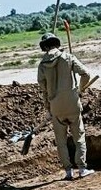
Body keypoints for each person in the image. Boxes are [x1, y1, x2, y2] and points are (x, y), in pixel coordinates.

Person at [37, 33, 95, 180]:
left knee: (61, 141)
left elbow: (43, 90)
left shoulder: (42, 65)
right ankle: (82, 169)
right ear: (56, 44)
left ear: (45, 47)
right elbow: (86, 74)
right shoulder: (68, 57)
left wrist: (48, 108)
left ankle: (68, 171)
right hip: (72, 103)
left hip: (56, 107)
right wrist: (80, 89)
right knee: (79, 137)